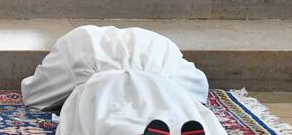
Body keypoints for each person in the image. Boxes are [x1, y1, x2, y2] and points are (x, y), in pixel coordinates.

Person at [21, 25, 224, 135]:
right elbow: (197, 85)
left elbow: (38, 92)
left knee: (105, 117)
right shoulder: (158, 45)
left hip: (101, 83)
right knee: (174, 108)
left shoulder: (79, 42)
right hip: (162, 83)